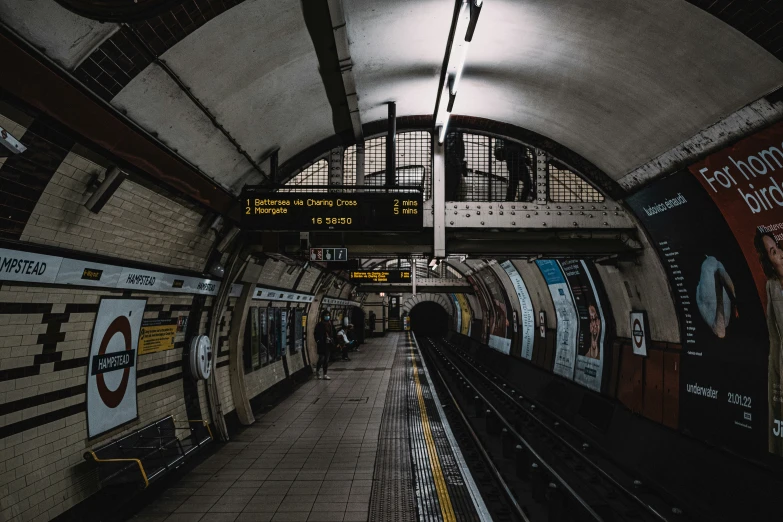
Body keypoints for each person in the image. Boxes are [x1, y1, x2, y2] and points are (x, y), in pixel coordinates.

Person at [754, 229, 783, 455]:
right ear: (769, 261)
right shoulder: (772, 287)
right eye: (774, 251)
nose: (780, 253)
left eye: (779, 246)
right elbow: (774, 335)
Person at [314, 310, 334, 380]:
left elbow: (332, 333)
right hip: (322, 344)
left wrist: (332, 340)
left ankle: (325, 374)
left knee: (326, 360)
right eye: (326, 315)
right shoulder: (319, 324)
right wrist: (318, 341)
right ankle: (318, 371)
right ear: (323, 316)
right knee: (321, 358)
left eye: (328, 315)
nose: (327, 317)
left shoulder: (330, 324)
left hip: (328, 344)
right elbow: (316, 334)